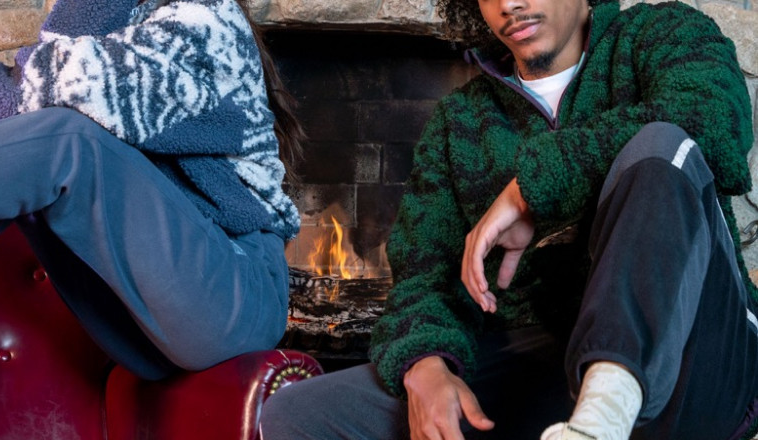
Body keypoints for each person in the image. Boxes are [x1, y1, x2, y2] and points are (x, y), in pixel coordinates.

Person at [258, 0, 758, 438]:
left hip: (695, 355)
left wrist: (528, 194)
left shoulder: (661, 33)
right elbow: (424, 274)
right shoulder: (459, 120)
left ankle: (605, 413)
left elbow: (715, 123)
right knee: (297, 415)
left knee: (660, 142)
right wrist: (425, 364)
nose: (508, 5)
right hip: (545, 364)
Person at [0, 0, 303, 380]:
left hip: (236, 295)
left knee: (71, 143)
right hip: (137, 318)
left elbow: (63, 80)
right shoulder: (118, 27)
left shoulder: (208, 15)